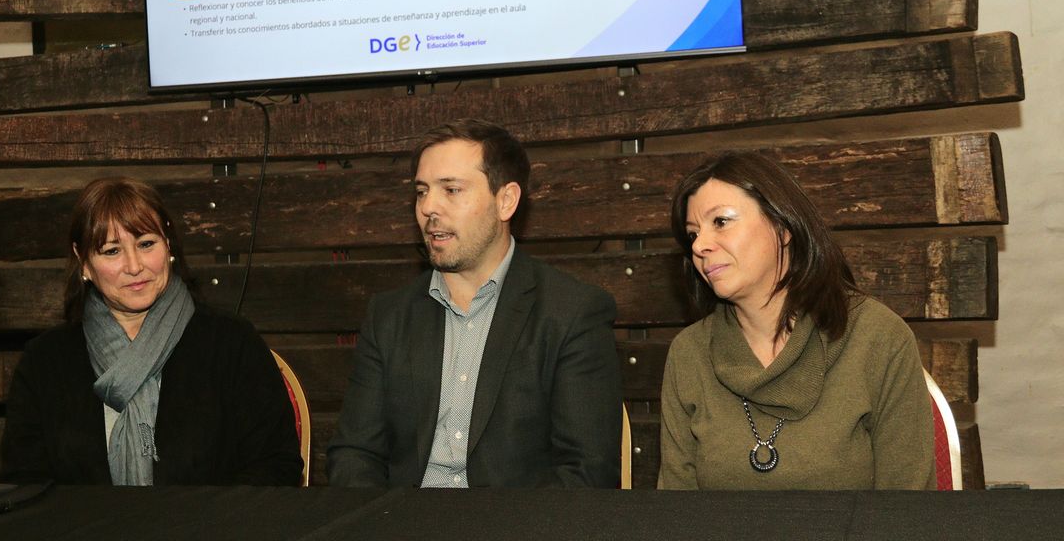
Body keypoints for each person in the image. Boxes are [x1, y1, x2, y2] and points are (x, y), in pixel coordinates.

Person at [327, 119, 623, 487]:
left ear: (506, 201)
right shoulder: (389, 316)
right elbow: (355, 455)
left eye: (451, 190)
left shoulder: (571, 313)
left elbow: (586, 473)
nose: (429, 208)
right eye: (421, 192)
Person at [657, 151, 936, 489]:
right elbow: (676, 513)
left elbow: (906, 510)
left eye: (721, 222)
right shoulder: (689, 353)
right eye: (692, 235)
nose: (700, 245)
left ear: (783, 225)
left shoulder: (878, 337)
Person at [0, 176, 303, 486]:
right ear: (84, 263)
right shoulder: (44, 362)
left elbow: (275, 467)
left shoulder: (232, 344)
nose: (134, 266)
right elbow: (25, 484)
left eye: (146, 244)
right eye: (111, 251)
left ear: (167, 245)